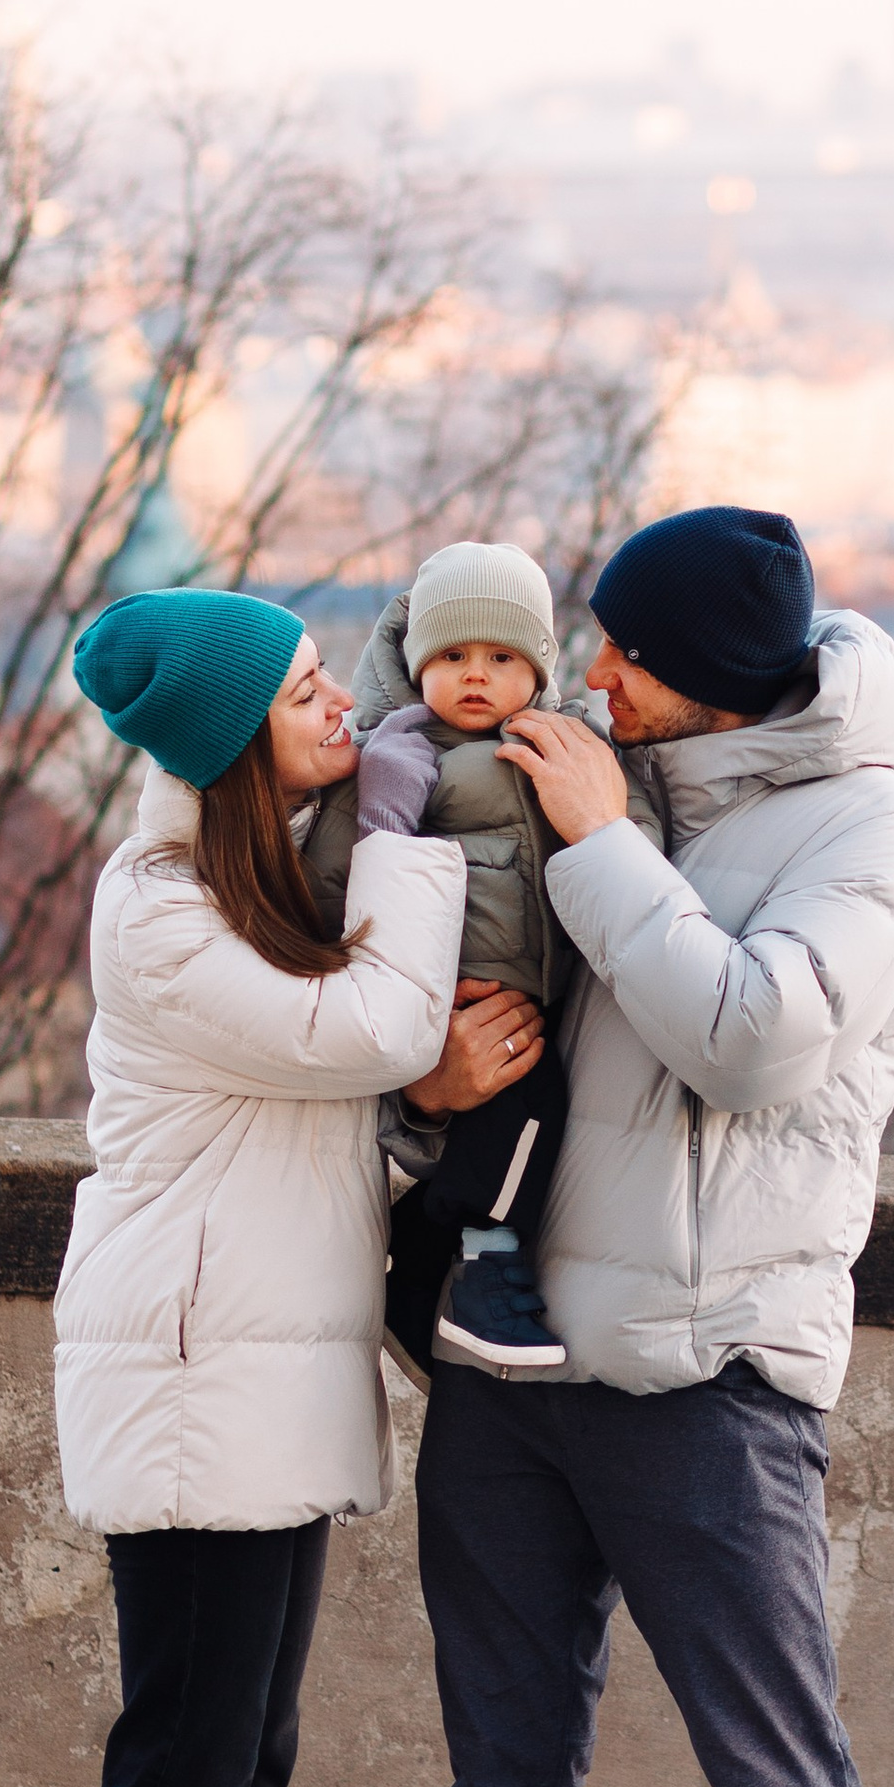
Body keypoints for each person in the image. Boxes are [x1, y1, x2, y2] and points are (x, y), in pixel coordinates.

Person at [352, 506, 894, 1787]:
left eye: (623, 649)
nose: (584, 674)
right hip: (506, 1373)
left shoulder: (869, 827)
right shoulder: (582, 774)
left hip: (712, 1379)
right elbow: (440, 988)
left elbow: (752, 1039)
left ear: (711, 665)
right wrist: (424, 1068)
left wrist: (607, 843)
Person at [0, 581, 529, 1787]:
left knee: (238, 1764)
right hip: (194, 1374)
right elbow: (370, 1035)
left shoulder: (257, 889)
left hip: (264, 1374)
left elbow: (335, 1132)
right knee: (172, 1777)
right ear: (237, 737)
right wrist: (408, 833)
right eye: (307, 690)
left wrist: (425, 1112)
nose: (339, 706)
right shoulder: (156, 911)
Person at [300, 537, 658, 1381]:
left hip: (546, 1003)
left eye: (501, 656)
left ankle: (429, 1268)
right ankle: (485, 1267)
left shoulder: (572, 748)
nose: (474, 675)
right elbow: (330, 886)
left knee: (536, 1124)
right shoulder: (394, 758)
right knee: (523, 1107)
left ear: (537, 668)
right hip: (453, 1005)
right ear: (417, 663)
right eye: (452, 655)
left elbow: (635, 837)